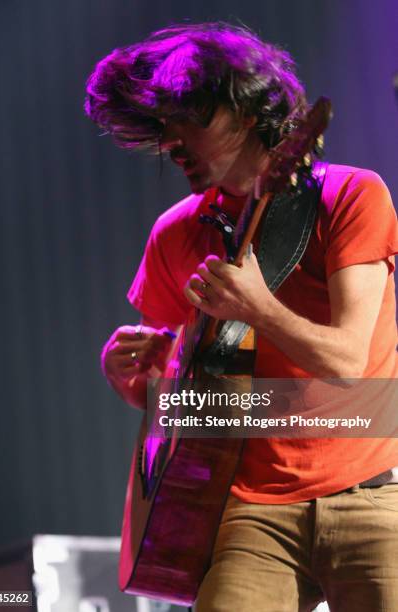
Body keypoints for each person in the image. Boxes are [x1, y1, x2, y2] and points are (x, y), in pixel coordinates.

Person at [85, 22, 398, 611]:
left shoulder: (352, 196)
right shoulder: (174, 233)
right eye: (164, 128)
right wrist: (135, 378)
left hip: (373, 494)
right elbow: (186, 395)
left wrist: (256, 307)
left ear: (249, 111)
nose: (173, 143)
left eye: (191, 120)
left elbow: (349, 361)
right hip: (249, 511)